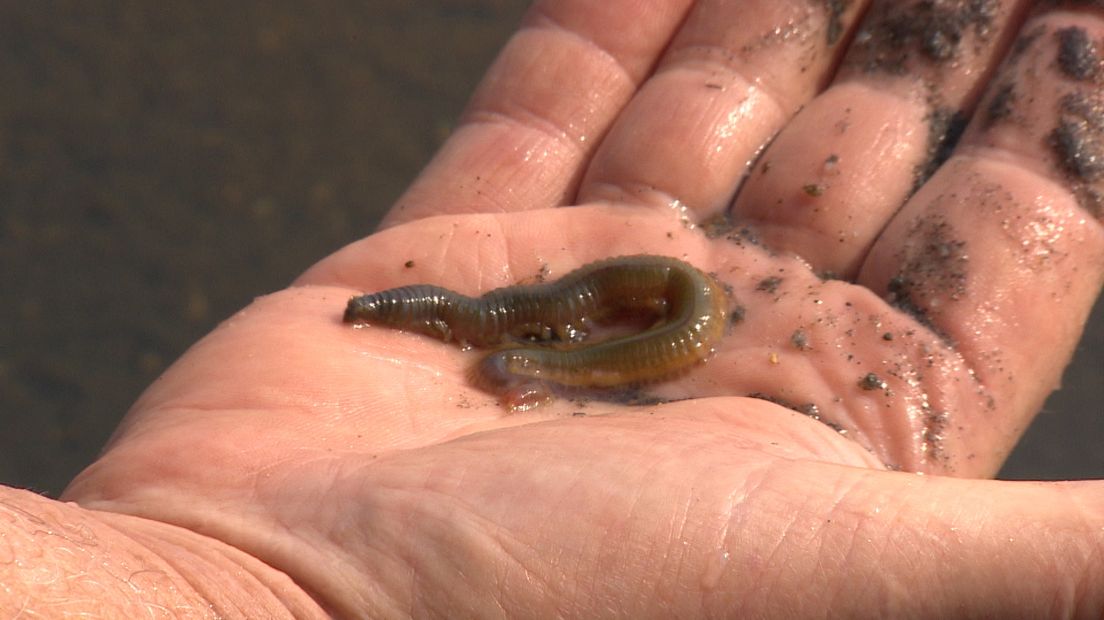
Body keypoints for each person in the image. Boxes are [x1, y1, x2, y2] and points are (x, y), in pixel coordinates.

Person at [4, 1, 1103, 617]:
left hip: (633, 309)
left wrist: (189, 577)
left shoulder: (576, 330)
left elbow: (610, 322)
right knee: (482, 317)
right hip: (593, 314)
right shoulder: (525, 329)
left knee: (520, 320)